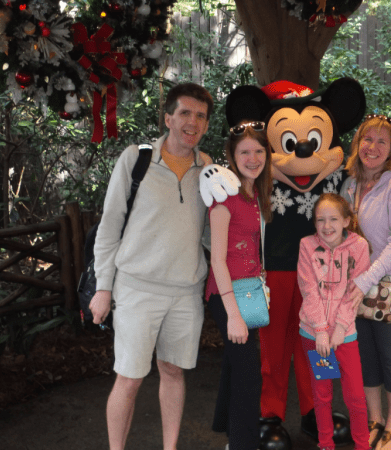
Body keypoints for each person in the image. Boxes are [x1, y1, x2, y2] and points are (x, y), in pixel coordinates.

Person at [88, 83, 230, 450]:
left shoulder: (209, 170)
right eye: (185, 113)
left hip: (185, 293)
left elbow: (213, 234)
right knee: (130, 378)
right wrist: (104, 288)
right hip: (137, 290)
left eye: (201, 116)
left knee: (173, 371)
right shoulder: (137, 159)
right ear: (168, 118)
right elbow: (110, 226)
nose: (192, 122)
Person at [341, 114, 391, 450]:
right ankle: (375, 419)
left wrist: (364, 280)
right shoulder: (348, 185)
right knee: (365, 356)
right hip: (356, 285)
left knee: (390, 355)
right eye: (366, 139)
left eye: (381, 142)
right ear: (358, 144)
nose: (372, 147)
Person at [205, 120, 273, 450]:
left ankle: (226, 426)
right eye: (244, 151)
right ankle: (242, 443)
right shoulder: (225, 197)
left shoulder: (255, 193)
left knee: (237, 364)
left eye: (259, 150)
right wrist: (233, 315)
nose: (252, 157)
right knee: (249, 374)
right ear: (232, 155)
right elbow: (217, 260)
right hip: (227, 296)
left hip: (250, 292)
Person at [297, 193, 371, 450]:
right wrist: (320, 331)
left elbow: (355, 291)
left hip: (345, 335)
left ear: (346, 221)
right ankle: (325, 444)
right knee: (323, 392)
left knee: (355, 396)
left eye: (333, 219)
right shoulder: (307, 245)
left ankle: (363, 445)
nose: (327, 226)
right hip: (315, 336)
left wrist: (339, 328)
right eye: (320, 220)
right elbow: (309, 290)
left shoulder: (359, 246)